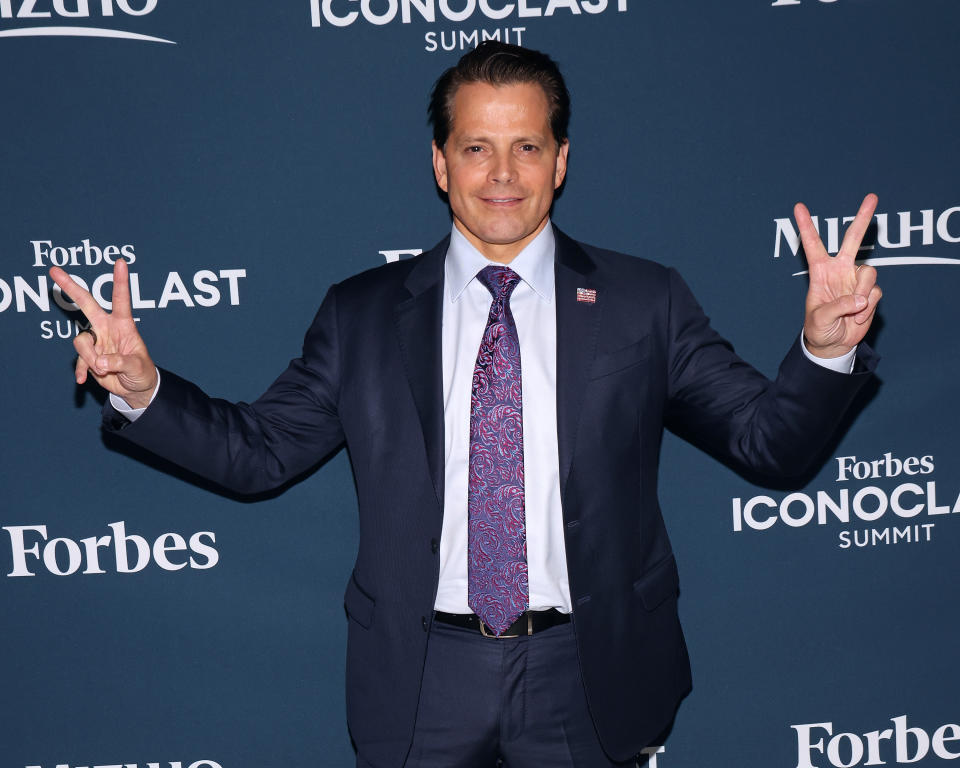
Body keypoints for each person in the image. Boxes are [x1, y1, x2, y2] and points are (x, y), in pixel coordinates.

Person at [51, 42, 881, 768]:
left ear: (561, 159)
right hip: (420, 676)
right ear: (440, 164)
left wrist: (826, 349)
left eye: (527, 145)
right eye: (476, 147)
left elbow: (769, 444)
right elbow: (260, 453)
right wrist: (142, 390)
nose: (503, 174)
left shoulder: (643, 302)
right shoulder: (362, 313)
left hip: (587, 673)